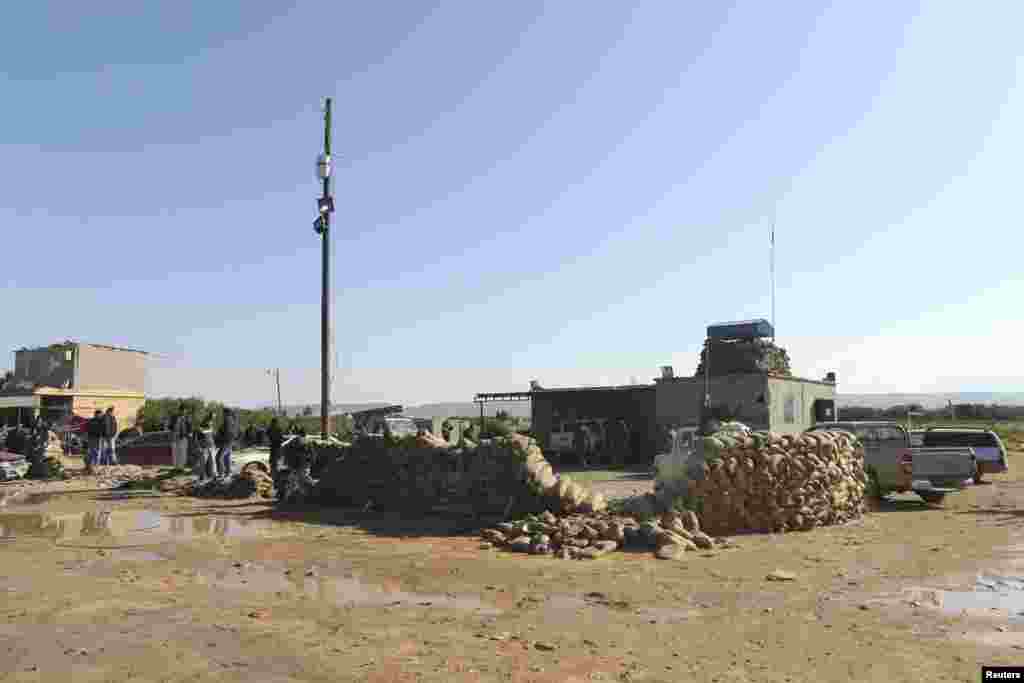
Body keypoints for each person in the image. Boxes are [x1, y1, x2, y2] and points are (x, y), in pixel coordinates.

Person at [214, 408, 239, 479]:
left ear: (226, 413)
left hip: (226, 442)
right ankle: (228, 473)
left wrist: (220, 438)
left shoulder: (228, 420)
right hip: (230, 442)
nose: (222, 415)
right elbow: (235, 433)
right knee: (226, 457)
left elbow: (227, 432)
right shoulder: (233, 420)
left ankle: (221, 474)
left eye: (223, 413)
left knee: (218, 458)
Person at [193, 416, 216, 481]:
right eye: (210, 422)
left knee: (212, 462)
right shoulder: (198, 429)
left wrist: (214, 446)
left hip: (211, 447)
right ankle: (202, 476)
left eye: (211, 422)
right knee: (203, 463)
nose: (211, 423)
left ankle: (212, 475)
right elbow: (195, 440)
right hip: (204, 448)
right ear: (206, 421)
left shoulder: (210, 429)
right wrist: (198, 447)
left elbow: (212, 438)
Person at [169, 403, 192, 469]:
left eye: (184, 410)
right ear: (179, 410)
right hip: (175, 437)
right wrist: (173, 429)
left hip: (183, 437)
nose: (183, 411)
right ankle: (176, 467)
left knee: (182, 453)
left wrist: (189, 435)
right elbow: (170, 426)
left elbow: (190, 428)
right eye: (182, 410)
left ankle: (181, 467)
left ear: (186, 411)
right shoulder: (174, 417)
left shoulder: (187, 418)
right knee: (175, 453)